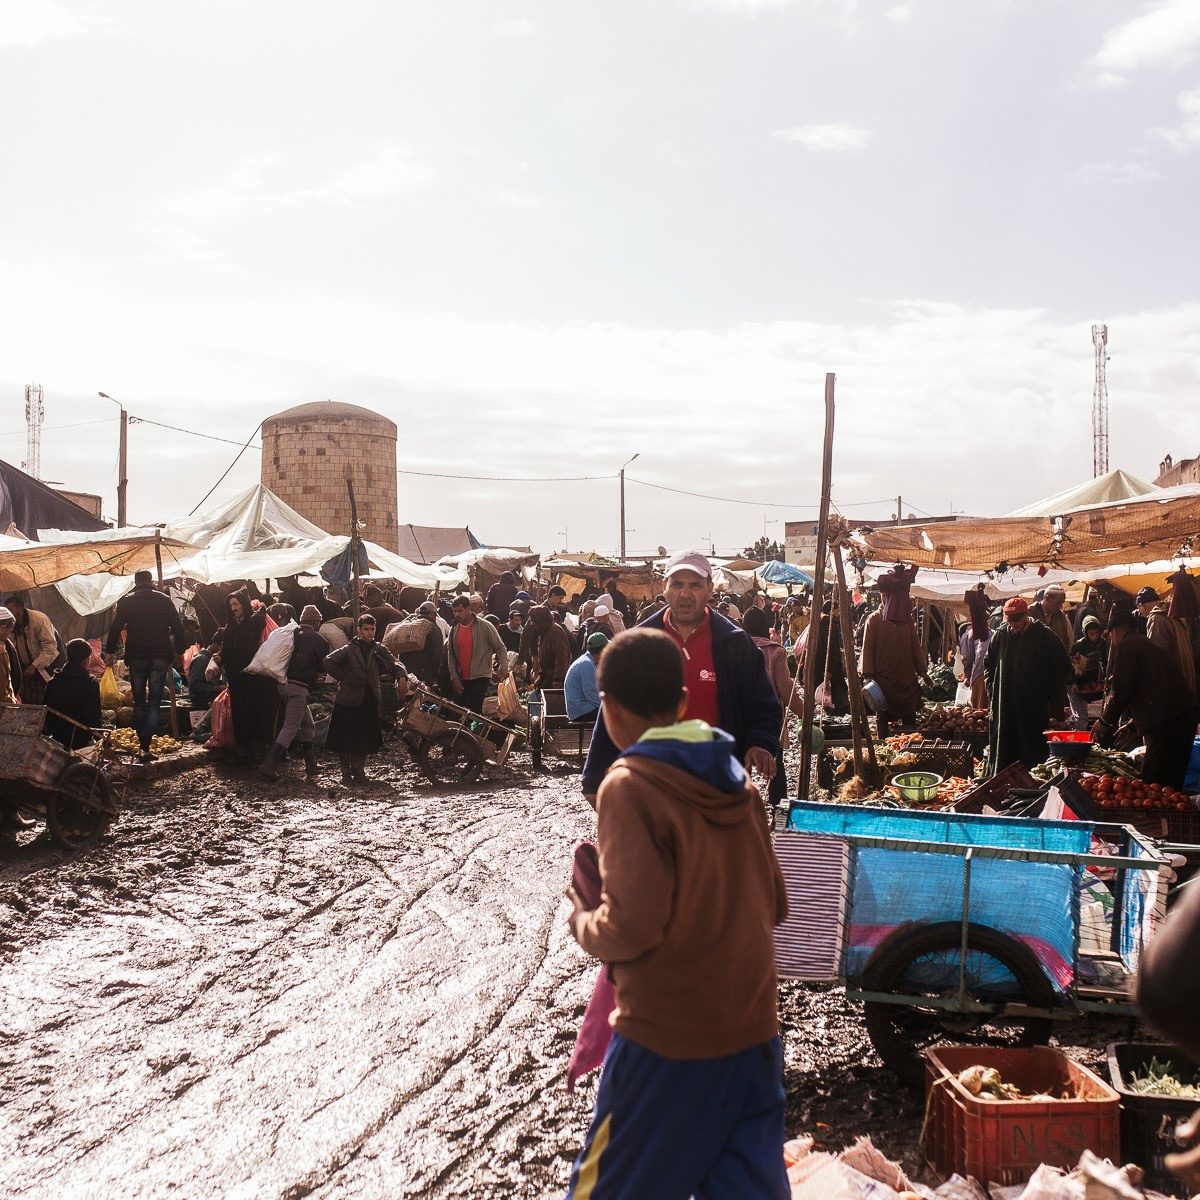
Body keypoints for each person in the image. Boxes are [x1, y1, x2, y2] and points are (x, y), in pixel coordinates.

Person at [565, 628, 789, 1200]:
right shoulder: (739, 781)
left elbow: (632, 927)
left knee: (604, 1189)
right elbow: (777, 903)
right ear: (684, 703)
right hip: (754, 1030)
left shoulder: (629, 785)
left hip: (668, 1039)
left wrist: (583, 919)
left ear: (607, 710)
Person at [582, 550, 782, 802]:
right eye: (677, 584)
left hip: (718, 782)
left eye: (695, 585)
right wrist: (594, 777)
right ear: (665, 587)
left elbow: (762, 703)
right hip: (651, 782)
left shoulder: (734, 643)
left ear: (710, 589)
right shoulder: (639, 642)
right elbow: (614, 708)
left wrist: (759, 742)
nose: (685, 593)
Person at [1091, 608, 1198, 789]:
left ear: (1116, 631)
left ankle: (1158, 817)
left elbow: (1122, 690)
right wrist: (1132, 726)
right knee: (1172, 777)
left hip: (1169, 718)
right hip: (1182, 714)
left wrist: (1104, 721)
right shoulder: (1143, 643)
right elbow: (1151, 688)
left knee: (1155, 779)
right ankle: (1168, 814)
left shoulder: (1127, 646)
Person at [105, 570, 188, 763]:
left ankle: (142, 745)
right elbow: (178, 627)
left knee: (139, 701)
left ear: (135, 582)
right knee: (155, 703)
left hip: (137, 657)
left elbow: (116, 626)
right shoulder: (164, 599)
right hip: (160, 656)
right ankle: (145, 745)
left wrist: (109, 650)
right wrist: (180, 650)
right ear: (151, 581)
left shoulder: (127, 600)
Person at [984, 596, 1073, 772]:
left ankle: (1031, 780)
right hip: (1005, 703)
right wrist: (993, 690)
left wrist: (1049, 694)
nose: (1014, 627)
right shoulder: (1001, 635)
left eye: (1017, 623)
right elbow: (989, 664)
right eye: (1011, 624)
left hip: (1033, 703)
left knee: (1030, 744)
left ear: (1026, 616)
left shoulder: (1045, 636)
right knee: (1005, 744)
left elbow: (1062, 666)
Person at [324, 613, 404, 784]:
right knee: (344, 739)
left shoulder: (378, 648)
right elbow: (328, 661)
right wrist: (343, 676)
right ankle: (345, 774)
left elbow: (395, 663)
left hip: (368, 699)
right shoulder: (349, 649)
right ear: (359, 630)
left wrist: (401, 676)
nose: (369, 632)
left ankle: (359, 772)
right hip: (348, 698)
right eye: (366, 629)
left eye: (372, 629)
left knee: (364, 738)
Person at [258, 606, 328, 780]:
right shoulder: (318, 639)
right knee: (290, 727)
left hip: (282, 685)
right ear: (316, 622)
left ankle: (311, 765)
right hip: (299, 688)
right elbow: (322, 666)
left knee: (308, 724)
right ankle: (269, 765)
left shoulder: (290, 633)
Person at [743, 605, 801, 808]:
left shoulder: (735, 647)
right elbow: (785, 689)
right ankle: (779, 809)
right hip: (770, 718)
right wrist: (804, 713)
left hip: (740, 716)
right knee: (775, 764)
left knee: (743, 765)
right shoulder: (775, 652)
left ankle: (742, 810)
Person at [860, 565, 928, 735]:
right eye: (884, 596)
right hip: (884, 680)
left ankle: (911, 746)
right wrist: (868, 675)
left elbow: (915, 647)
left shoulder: (907, 620)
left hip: (906, 677)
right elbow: (867, 649)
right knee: (882, 714)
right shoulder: (873, 620)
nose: (886, 599)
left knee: (909, 716)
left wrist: (922, 671)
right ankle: (883, 746)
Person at [215, 587, 278, 761]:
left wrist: (262, 608)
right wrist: (219, 658)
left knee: (254, 711)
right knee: (239, 711)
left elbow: (262, 617)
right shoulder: (230, 626)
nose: (233, 608)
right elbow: (227, 649)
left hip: (253, 677)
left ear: (243, 604)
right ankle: (243, 747)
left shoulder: (253, 622)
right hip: (235, 678)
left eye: (236, 604)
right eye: (231, 605)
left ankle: (257, 749)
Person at [446, 594, 509, 714]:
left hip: (480, 677)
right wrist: (454, 676)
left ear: (469, 608)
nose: (457, 614)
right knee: (459, 712)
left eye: (460, 611)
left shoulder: (485, 626)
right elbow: (451, 655)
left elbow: (500, 647)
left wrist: (504, 668)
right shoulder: (454, 629)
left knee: (473, 713)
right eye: (454, 611)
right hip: (461, 678)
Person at [42, 639, 102, 750]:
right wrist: (103, 741)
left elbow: (45, 711)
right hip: (80, 738)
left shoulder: (53, 681)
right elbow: (93, 715)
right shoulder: (90, 682)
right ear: (85, 660)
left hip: (56, 737)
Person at [4, 592, 61, 704]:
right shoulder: (10, 623)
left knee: (47, 701)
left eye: (10, 610)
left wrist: (34, 666)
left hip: (47, 667)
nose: (8, 614)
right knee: (28, 704)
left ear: (19, 608)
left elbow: (50, 648)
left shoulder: (39, 620)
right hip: (26, 672)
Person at [1144, 584, 1196, 699]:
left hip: (1172, 695)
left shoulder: (1158, 619)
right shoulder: (1178, 617)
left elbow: (1156, 661)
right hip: (1185, 689)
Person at [389, 600, 446, 690]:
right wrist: (435, 675)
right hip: (424, 674)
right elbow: (437, 654)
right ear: (432, 614)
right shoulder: (433, 628)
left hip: (406, 673)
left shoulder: (408, 625)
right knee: (423, 701)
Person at [1067, 615, 1107, 730]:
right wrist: (1073, 682)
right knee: (1082, 716)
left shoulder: (1103, 643)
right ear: (1085, 633)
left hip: (1089, 682)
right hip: (1075, 682)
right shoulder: (1078, 646)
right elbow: (1072, 668)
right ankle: (1080, 741)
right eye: (1091, 633)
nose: (1094, 636)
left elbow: (1105, 662)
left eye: (1096, 633)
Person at [563, 632, 608, 723]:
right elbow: (592, 694)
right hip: (581, 711)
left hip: (583, 708)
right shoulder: (587, 664)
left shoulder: (588, 661)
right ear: (603, 649)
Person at [187, 632, 225, 710]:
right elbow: (194, 686)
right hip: (202, 702)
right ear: (215, 644)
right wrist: (216, 688)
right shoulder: (201, 659)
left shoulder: (217, 660)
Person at [0, 607, 20, 706]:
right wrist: (12, 703)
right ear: (2, 629)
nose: (9, 635)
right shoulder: (1, 652)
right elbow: (2, 691)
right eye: (9, 631)